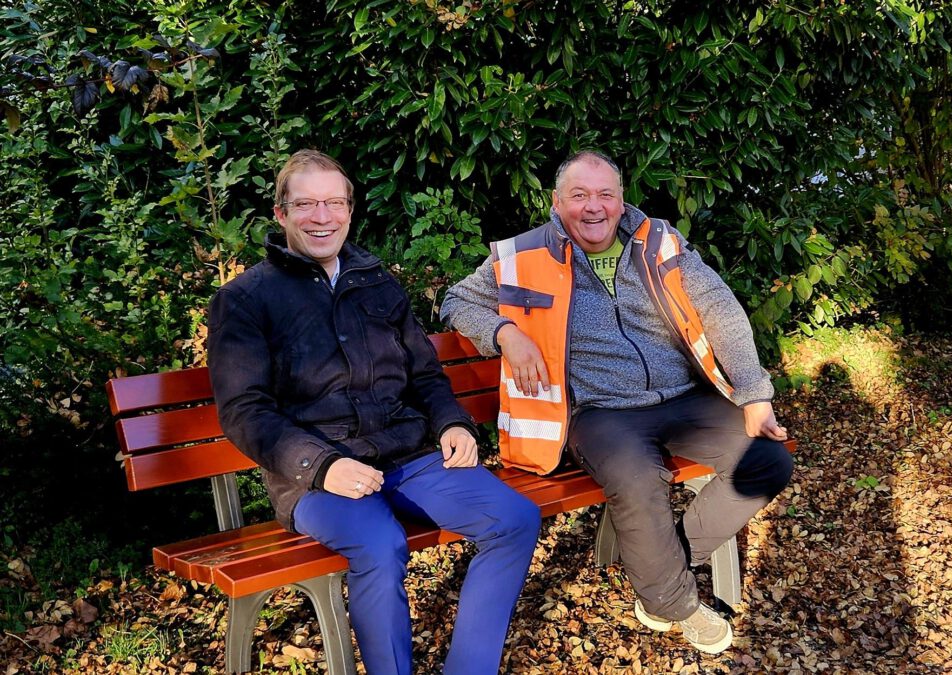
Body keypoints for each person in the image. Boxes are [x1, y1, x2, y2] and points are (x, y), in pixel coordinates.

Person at [440, 150, 793, 655]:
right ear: (557, 203)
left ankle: (657, 564)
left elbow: (720, 308)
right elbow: (456, 300)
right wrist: (505, 332)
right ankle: (671, 600)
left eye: (605, 194)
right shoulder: (523, 254)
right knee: (636, 478)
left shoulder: (660, 241)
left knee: (768, 460)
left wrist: (755, 395)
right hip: (599, 412)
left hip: (682, 397)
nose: (593, 207)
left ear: (621, 199)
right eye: (579, 195)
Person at [207, 149, 540, 675]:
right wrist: (322, 466)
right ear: (281, 214)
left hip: (408, 456)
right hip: (317, 480)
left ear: (349, 210)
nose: (323, 217)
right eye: (307, 204)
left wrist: (452, 422)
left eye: (334, 203)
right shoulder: (246, 300)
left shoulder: (375, 281)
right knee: (380, 544)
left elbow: (425, 374)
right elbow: (245, 411)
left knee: (514, 518)